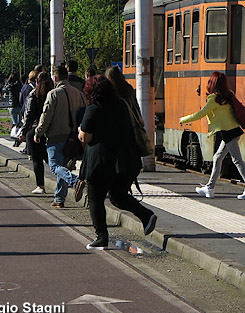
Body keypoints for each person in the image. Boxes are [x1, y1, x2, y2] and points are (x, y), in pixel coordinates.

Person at [78, 75, 157, 249]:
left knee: (95, 198)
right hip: (125, 161)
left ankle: (101, 237)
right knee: (118, 196)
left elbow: (86, 137)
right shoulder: (122, 104)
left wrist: (79, 130)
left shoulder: (92, 109)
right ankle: (146, 215)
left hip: (101, 162)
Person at [180, 72, 245, 200]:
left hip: (229, 132)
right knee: (217, 157)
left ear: (212, 84)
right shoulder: (228, 96)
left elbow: (201, 113)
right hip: (232, 131)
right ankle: (209, 188)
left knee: (237, 160)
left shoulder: (214, 99)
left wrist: (184, 119)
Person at [34, 65, 86, 208]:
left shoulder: (53, 94)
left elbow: (46, 116)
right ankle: (59, 198)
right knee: (63, 168)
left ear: (55, 78)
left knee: (55, 166)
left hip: (56, 136)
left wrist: (38, 132)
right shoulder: (79, 94)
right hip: (73, 137)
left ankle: (75, 181)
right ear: (67, 77)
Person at [21, 71, 54, 194]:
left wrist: (23, 131)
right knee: (51, 158)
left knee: (37, 160)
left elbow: (29, 115)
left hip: (36, 130)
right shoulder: (53, 94)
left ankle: (40, 185)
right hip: (52, 129)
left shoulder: (33, 95)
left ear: (36, 82)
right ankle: (63, 178)